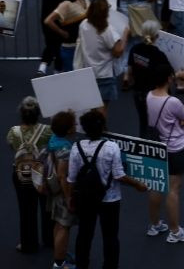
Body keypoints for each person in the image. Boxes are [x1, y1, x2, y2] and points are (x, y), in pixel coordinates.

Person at [68, 109, 148, 269]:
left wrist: (71, 199)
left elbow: (72, 178)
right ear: (103, 127)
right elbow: (119, 176)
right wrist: (138, 185)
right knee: (110, 236)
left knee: (84, 234)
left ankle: (82, 265)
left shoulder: (76, 147)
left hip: (85, 199)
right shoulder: (111, 147)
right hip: (109, 198)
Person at [146, 63, 184, 243]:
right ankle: (175, 231)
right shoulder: (172, 101)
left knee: (156, 185)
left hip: (157, 146)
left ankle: (155, 224)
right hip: (174, 148)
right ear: (167, 79)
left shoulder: (149, 96)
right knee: (173, 189)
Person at [8, 96, 51, 254]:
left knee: (26, 209)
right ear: (38, 113)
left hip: (21, 174)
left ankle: (28, 243)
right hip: (42, 173)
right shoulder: (47, 130)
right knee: (47, 207)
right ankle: (49, 238)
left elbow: (12, 147)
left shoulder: (13, 132)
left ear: (21, 113)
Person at [78, 0, 126, 109]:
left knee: (91, 107)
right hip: (104, 73)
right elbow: (117, 52)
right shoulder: (107, 30)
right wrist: (124, 36)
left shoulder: (83, 24)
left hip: (88, 70)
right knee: (102, 109)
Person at [45, 111, 75, 268]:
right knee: (64, 226)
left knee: (58, 223)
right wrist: (68, 197)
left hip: (53, 190)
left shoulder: (53, 140)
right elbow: (63, 177)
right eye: (73, 124)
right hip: (62, 192)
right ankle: (59, 263)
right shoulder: (65, 149)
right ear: (69, 130)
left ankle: (60, 253)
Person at [44, 0, 89, 77]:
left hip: (85, 47)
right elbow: (48, 20)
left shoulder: (86, 0)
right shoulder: (66, 4)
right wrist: (62, 32)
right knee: (74, 81)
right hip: (71, 49)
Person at [36, 0, 68, 74]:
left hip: (45, 15)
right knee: (59, 43)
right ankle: (57, 69)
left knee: (50, 41)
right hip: (59, 15)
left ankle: (43, 65)